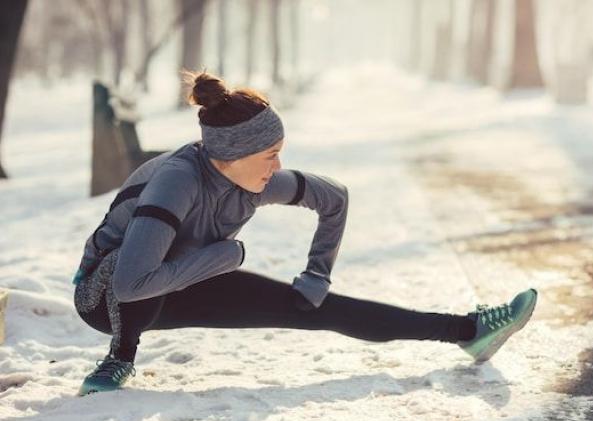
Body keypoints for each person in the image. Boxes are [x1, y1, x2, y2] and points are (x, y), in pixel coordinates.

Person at [72, 70, 538, 396]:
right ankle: (119, 358)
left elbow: (334, 197)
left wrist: (317, 275)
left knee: (316, 309)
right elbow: (130, 281)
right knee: (139, 263)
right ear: (232, 154)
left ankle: (467, 330)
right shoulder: (176, 181)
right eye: (270, 154)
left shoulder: (250, 180)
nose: (277, 166)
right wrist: (226, 257)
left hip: (181, 277)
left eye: (280, 152)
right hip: (107, 297)